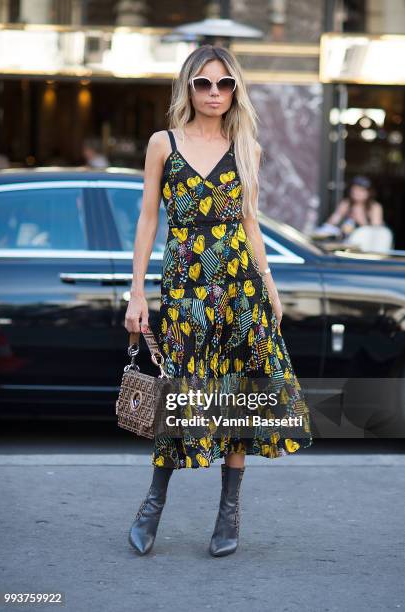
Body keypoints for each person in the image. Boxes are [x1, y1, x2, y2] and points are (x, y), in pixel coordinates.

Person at [123, 44, 313, 557]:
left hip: (240, 287)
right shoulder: (163, 143)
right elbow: (147, 219)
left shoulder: (246, 146)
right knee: (180, 397)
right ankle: (153, 505)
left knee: (236, 395)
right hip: (184, 287)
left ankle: (229, 515)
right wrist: (136, 291)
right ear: (188, 87)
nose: (214, 92)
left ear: (235, 90)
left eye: (224, 83)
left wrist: (269, 284)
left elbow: (249, 221)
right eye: (203, 83)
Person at [325, 175, 384, 239]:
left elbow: (377, 231)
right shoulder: (346, 204)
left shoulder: (374, 207)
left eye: (361, 190)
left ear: (369, 192)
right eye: (354, 189)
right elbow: (331, 223)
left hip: (366, 242)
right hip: (347, 241)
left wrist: (361, 220)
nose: (356, 193)